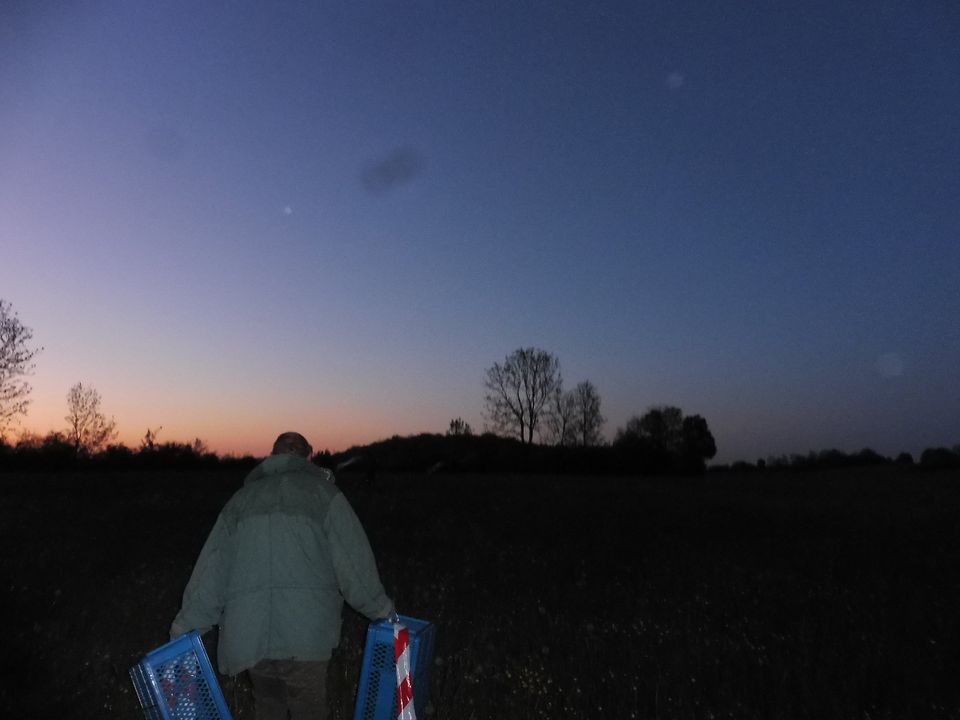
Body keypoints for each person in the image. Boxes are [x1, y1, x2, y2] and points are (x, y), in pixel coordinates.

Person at [170, 431, 395, 720]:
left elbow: (210, 575)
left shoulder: (240, 501)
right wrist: (384, 612)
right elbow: (355, 567)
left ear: (272, 455)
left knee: (268, 707)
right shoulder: (324, 495)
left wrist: (184, 629)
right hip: (306, 639)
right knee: (308, 710)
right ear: (309, 455)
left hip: (252, 639)